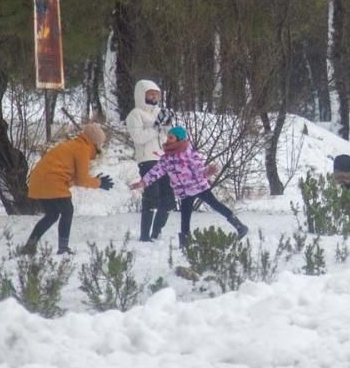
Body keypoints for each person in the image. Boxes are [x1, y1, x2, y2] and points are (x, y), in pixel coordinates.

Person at [129, 126, 248, 248]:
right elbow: (156, 171)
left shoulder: (189, 153)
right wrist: (144, 182)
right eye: (168, 137)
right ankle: (185, 243)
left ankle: (240, 227)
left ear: (179, 139)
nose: (168, 140)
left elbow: (199, 169)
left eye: (171, 137)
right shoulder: (166, 158)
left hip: (199, 187)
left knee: (216, 205)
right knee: (185, 217)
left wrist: (207, 173)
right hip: (184, 192)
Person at [20, 123, 114, 255]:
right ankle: (63, 248)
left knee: (52, 215)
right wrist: (99, 183)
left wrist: (95, 181)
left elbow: (73, 177)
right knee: (67, 210)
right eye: (100, 144)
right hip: (52, 181)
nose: (100, 148)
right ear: (95, 142)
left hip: (40, 181)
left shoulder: (74, 145)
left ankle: (30, 246)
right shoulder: (83, 149)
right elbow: (82, 180)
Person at [126, 80, 177, 241]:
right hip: (147, 159)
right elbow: (139, 137)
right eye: (151, 93)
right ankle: (145, 235)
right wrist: (156, 126)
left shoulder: (160, 112)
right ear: (142, 95)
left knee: (168, 199)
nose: (154, 97)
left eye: (157, 94)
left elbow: (170, 137)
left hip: (164, 159)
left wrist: (168, 124)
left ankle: (156, 233)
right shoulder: (135, 114)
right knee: (151, 196)